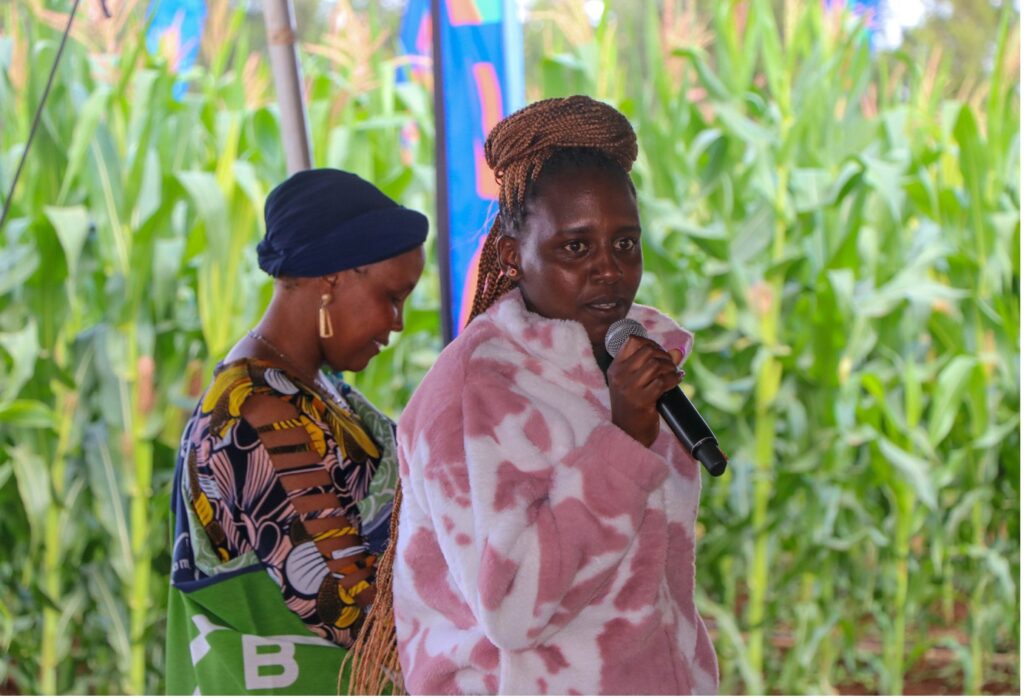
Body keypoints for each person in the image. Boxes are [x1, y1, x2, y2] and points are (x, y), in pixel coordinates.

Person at [353, 95, 718, 695]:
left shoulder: (634, 360)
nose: (609, 269)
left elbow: (655, 585)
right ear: (511, 256)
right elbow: (513, 611)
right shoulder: (473, 394)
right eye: (576, 246)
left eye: (626, 243)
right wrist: (624, 440)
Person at [165, 168, 427, 695]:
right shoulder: (256, 415)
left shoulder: (312, 386)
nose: (397, 323)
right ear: (332, 280)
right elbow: (349, 607)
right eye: (391, 297)